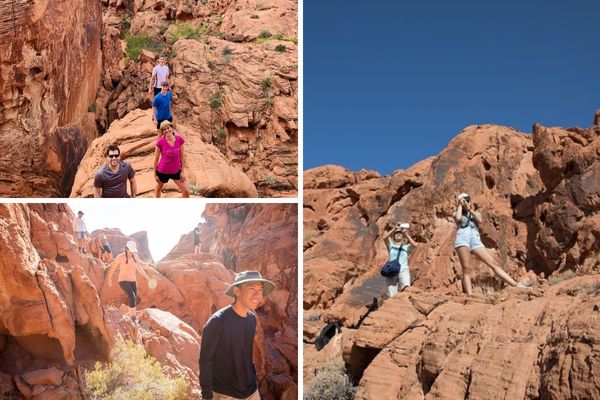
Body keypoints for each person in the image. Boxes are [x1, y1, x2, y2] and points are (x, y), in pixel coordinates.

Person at [199, 271, 276, 400]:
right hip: (226, 394)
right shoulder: (217, 321)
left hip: (251, 391)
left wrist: (253, 377)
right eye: (251, 289)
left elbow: (245, 352)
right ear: (237, 291)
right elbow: (205, 360)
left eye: (260, 290)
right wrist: (207, 395)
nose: (257, 295)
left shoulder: (251, 319)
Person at [454, 193, 529, 295]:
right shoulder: (456, 212)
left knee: (493, 263)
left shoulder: (475, 213)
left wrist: (469, 209)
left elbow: (479, 220)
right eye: (463, 200)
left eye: (467, 199)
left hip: (475, 240)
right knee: (466, 268)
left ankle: (516, 285)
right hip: (462, 239)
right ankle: (470, 296)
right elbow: (458, 219)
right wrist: (459, 205)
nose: (465, 201)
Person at [106, 241, 150, 324]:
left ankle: (132, 316)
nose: (132, 253)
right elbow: (113, 268)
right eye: (131, 251)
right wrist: (109, 279)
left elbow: (139, 268)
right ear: (126, 249)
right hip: (123, 280)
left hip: (133, 281)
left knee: (134, 298)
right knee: (131, 295)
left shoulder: (135, 256)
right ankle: (133, 317)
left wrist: (147, 278)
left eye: (133, 251)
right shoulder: (120, 257)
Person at [153, 121, 189, 198]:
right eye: (164, 129)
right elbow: (156, 159)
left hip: (176, 171)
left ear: (172, 128)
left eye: (168, 128)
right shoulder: (160, 142)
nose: (167, 130)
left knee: (186, 191)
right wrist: (155, 174)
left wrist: (182, 171)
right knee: (158, 188)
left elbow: (182, 156)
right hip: (163, 171)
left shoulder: (179, 139)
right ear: (162, 132)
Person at [382, 222, 418, 297]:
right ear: (393, 236)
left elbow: (415, 245)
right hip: (391, 271)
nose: (398, 234)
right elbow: (385, 238)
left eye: (400, 233)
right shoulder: (391, 245)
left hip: (403, 270)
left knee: (406, 289)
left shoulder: (406, 247)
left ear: (403, 236)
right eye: (396, 233)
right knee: (391, 294)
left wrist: (406, 234)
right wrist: (394, 228)